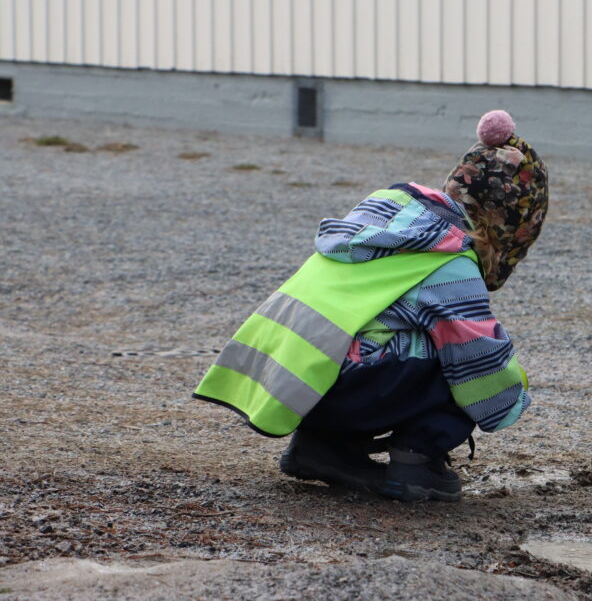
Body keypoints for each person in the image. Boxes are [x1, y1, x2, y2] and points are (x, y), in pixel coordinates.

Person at [193, 110, 548, 502]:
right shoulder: (449, 261)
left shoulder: (388, 218)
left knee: (383, 331)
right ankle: (416, 464)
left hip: (292, 384)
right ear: (512, 225)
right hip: (337, 389)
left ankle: (324, 447)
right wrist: (515, 391)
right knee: (464, 353)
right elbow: (480, 360)